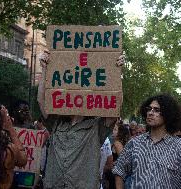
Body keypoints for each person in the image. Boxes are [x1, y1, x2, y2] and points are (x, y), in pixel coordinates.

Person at [38, 51, 124, 189]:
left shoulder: (96, 128)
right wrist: (44, 69)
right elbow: (42, 101)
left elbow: (115, 107)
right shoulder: (56, 123)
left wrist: (116, 72)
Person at [112, 94, 181, 188]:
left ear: (168, 114)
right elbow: (119, 171)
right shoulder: (134, 143)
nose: (150, 112)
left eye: (157, 110)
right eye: (149, 109)